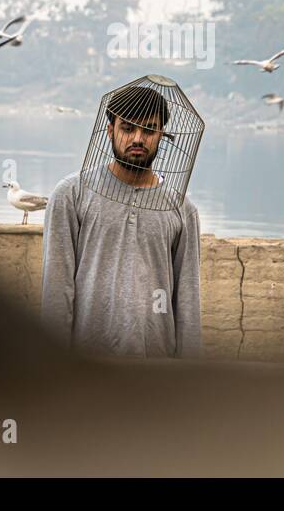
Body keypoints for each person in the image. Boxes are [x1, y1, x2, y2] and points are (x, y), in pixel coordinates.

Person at [40, 84, 203, 359]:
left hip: (156, 369)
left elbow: (188, 302)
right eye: (127, 128)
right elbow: (57, 291)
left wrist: (189, 377)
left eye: (149, 130)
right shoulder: (72, 194)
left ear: (161, 135)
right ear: (110, 131)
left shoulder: (182, 209)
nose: (138, 138)